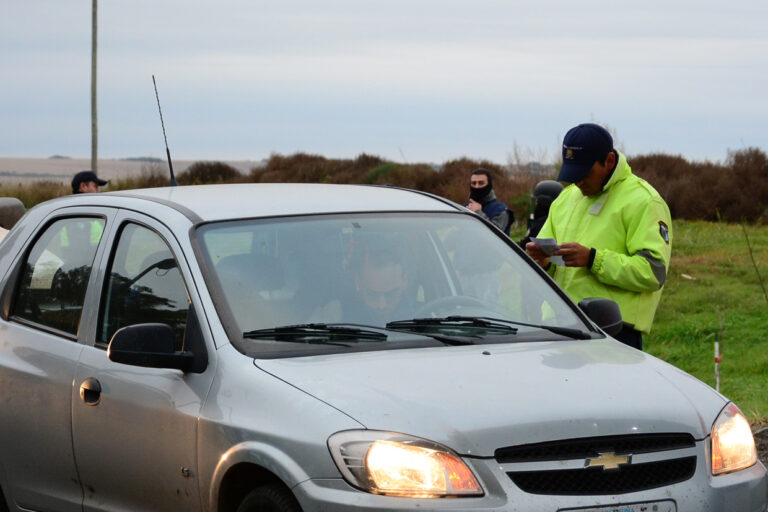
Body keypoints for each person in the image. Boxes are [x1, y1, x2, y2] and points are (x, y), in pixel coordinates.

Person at [525, 123, 672, 350]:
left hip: (613, 335)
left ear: (609, 161)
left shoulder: (644, 201)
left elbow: (653, 272)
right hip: (559, 328)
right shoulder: (565, 199)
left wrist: (593, 259)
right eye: (572, 174)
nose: (578, 181)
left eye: (585, 172)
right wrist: (543, 261)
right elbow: (551, 261)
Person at [465, 168, 513, 235]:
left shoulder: (501, 211)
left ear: (489, 185)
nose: (476, 187)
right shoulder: (463, 208)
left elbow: (496, 234)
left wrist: (478, 213)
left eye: (481, 183)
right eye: (474, 183)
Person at [519, 179, 563, 248]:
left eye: (536, 201)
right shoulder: (556, 221)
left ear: (544, 202)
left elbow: (523, 248)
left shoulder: (541, 225)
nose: (534, 204)